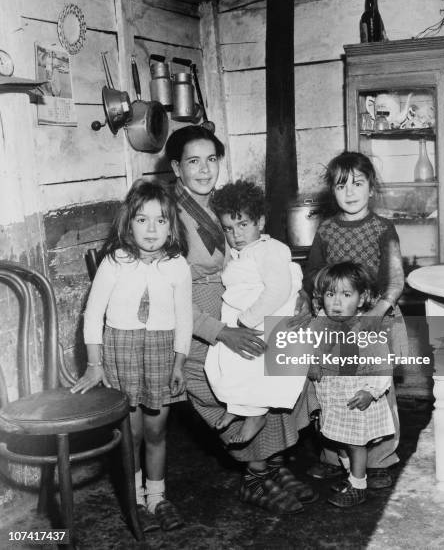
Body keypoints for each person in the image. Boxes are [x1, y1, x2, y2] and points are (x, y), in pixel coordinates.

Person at [165, 125, 318, 515]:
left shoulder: (222, 203)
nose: (203, 170)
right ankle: (255, 476)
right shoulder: (167, 214)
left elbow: (264, 260)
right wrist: (220, 332)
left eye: (211, 160)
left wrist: (296, 297)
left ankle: (272, 465)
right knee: (242, 369)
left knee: (284, 353)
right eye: (193, 161)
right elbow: (168, 294)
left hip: (236, 301)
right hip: (193, 317)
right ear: (175, 167)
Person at [71, 179, 193, 533]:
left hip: (161, 352)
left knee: (157, 431)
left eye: (160, 220)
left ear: (171, 226)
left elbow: (184, 319)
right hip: (121, 353)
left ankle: (158, 497)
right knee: (133, 433)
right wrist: (95, 365)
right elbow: (92, 315)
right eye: (142, 220)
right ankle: (135, 499)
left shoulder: (177, 266)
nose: (152, 229)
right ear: (128, 223)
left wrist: (179, 363)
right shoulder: (115, 262)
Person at [304, 150, 408, 489]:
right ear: (331, 191)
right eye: (341, 185)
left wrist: (376, 314)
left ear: (371, 188)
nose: (350, 193)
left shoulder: (382, 228)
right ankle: (336, 456)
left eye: (358, 184)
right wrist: (324, 303)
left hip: (377, 315)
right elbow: (314, 273)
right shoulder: (328, 229)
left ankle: (380, 459)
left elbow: (394, 279)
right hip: (337, 317)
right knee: (333, 386)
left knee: (376, 387)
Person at [204, 179, 306, 444]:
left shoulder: (268, 249)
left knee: (252, 371)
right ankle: (237, 408)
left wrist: (246, 318)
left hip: (262, 321)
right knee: (226, 367)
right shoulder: (244, 251)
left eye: (243, 225)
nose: (236, 234)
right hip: (245, 319)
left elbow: (278, 289)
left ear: (259, 222)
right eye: (228, 228)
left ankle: (254, 415)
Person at [308, 262, 394, 507]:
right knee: (339, 439)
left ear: (361, 298)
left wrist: (370, 391)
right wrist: (313, 362)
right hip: (332, 396)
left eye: (346, 295)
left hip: (356, 397)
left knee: (355, 442)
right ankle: (350, 475)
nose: (336, 302)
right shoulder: (321, 322)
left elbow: (383, 364)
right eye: (330, 294)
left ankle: (358, 485)